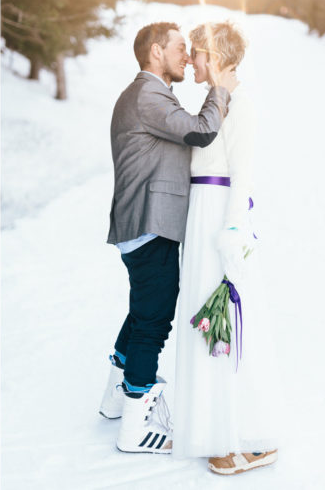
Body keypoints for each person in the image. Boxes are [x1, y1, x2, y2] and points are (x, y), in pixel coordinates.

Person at [101, 22, 238, 453]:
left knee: (143, 310)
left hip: (143, 222)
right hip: (149, 221)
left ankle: (115, 398)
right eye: (180, 48)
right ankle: (136, 427)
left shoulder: (148, 94)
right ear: (156, 51)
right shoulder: (148, 94)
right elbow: (201, 130)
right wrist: (221, 89)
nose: (186, 55)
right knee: (154, 321)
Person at [172, 22, 278, 474]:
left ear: (215, 57)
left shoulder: (242, 107)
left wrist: (233, 232)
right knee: (201, 320)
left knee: (225, 325)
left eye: (196, 53)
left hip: (219, 221)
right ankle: (212, 427)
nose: (191, 61)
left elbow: (243, 175)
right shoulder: (212, 103)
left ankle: (237, 437)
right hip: (201, 218)